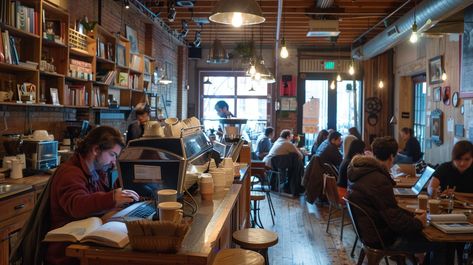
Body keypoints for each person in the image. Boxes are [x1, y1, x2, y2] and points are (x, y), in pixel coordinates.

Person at [46, 126, 139, 265]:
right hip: (67, 253)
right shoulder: (70, 173)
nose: (114, 162)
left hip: (86, 244)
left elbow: (100, 197)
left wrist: (125, 181)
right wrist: (112, 197)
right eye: (112, 155)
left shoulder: (97, 170)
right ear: (96, 150)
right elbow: (77, 205)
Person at [347, 137, 436, 263]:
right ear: (391, 157)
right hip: (383, 239)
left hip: (369, 233)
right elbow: (395, 220)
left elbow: (390, 211)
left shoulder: (362, 172)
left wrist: (412, 216)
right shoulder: (378, 180)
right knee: (437, 243)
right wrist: (418, 223)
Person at [426, 140, 473, 265]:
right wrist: (435, 191)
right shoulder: (445, 167)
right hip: (447, 215)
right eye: (458, 159)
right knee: (444, 244)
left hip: (469, 217)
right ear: (453, 158)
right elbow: (431, 187)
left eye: (467, 159)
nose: (462, 163)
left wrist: (456, 194)